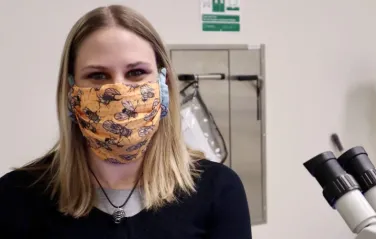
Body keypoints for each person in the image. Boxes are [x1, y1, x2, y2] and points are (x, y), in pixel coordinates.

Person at [0, 5, 252, 239]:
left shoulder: (217, 191)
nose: (119, 91)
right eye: (97, 75)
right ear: (71, 92)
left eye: (136, 72)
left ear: (163, 85)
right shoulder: (17, 196)